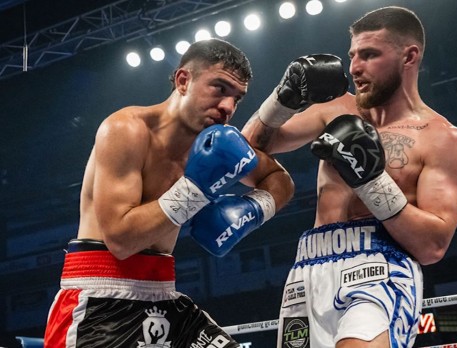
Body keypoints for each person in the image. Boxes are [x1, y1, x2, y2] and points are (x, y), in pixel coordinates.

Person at [242, 6, 457, 348]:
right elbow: (244, 155)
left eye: (369, 55)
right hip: (308, 268)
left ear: (409, 57)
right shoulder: (334, 109)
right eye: (352, 55)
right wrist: (282, 98)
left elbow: (432, 246)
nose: (354, 68)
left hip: (380, 268)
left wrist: (371, 180)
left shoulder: (441, 138)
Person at [44, 38, 295, 347]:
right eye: (219, 88)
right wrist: (196, 189)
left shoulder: (217, 145)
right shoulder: (126, 129)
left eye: (237, 98)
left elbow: (279, 180)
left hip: (163, 293)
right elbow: (121, 241)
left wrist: (254, 209)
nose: (228, 106)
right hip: (101, 301)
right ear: (183, 80)